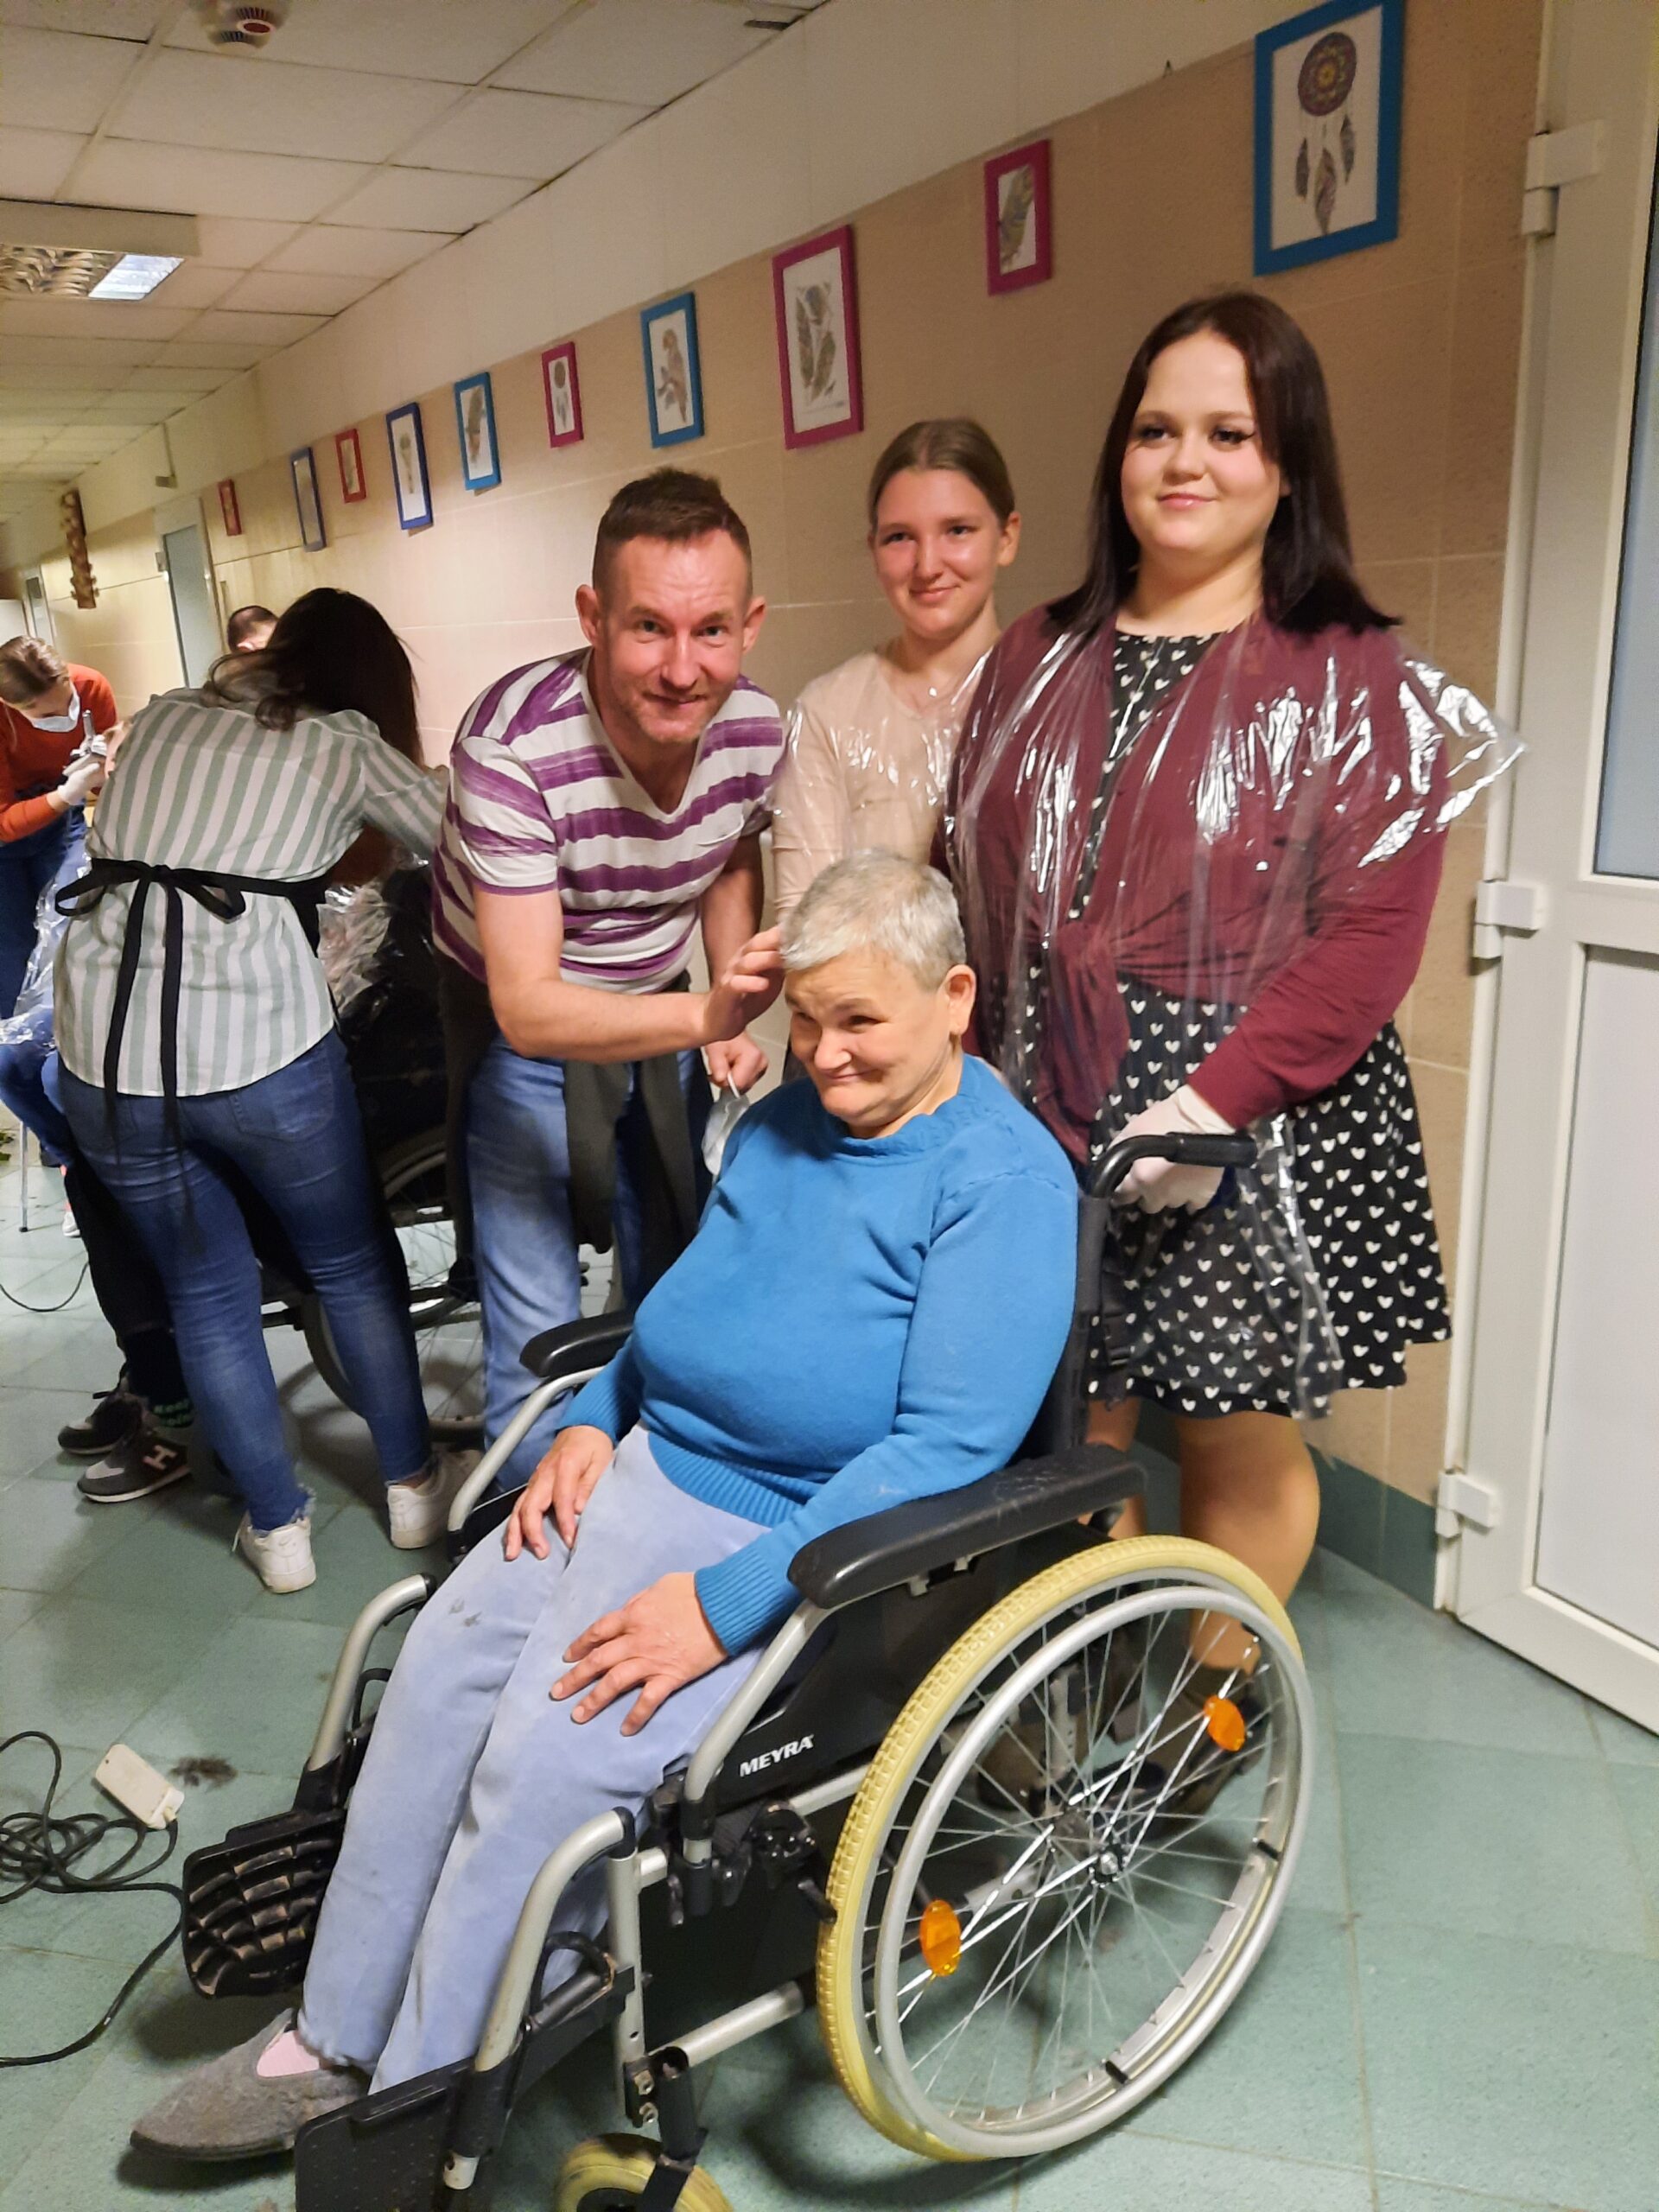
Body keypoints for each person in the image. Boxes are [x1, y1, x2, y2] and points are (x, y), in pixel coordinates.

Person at [130, 853, 1078, 2156]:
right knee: (436, 1680)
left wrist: (724, 1605)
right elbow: (685, 1315)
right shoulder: (788, 1122)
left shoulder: (1000, 1183)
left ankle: (425, 2085)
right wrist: (594, 1416)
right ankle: (333, 2031)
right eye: (806, 1018)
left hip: (796, 1547)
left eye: (860, 1020)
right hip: (637, 1473)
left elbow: (944, 1449)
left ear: (954, 997)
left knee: (545, 1760)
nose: (824, 1053)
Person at [945, 290, 1512, 1679]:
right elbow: (973, 871)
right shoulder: (1036, 653)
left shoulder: (1353, 676)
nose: (1183, 462)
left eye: (1228, 433)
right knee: (1066, 1415)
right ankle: (1076, 1679)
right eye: (1155, 430)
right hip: (1048, 1084)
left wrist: (1212, 1105)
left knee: (1230, 1426)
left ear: (1288, 465)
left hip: (1249, 1106)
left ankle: (1214, 1696)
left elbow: (1370, 939)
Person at [54, 588, 466, 1592]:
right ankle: (414, 1488)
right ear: (369, 679)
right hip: (261, 1052)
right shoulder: (346, 742)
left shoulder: (163, 716)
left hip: (106, 1052)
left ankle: (278, 1532)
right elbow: (461, 830)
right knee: (350, 1265)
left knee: (205, 1292)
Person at [430, 468, 785, 1490]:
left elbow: (731, 847)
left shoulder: (756, 729)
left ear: (750, 624)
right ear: (593, 617)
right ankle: (516, 1528)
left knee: (673, 1262)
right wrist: (708, 1011)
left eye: (711, 631)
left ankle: (651, 1494)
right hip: (519, 1012)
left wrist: (724, 1005)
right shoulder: (512, 746)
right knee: (536, 1316)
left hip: (663, 991)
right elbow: (530, 1007)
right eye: (648, 629)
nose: (681, 668)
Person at [771, 418, 1020, 918]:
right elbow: (806, 923)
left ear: (1006, 538)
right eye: (900, 537)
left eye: (957, 531)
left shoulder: (1051, 694)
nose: (927, 565)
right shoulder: (827, 714)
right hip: (864, 975)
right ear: (874, 551)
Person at [0, 637, 117, 1016]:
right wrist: (67, 793)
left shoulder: (90, 686)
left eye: (66, 702)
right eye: (47, 713)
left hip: (60, 820)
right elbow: (3, 823)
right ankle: (15, 1041)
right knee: (12, 947)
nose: (64, 715)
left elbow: (107, 782)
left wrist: (105, 769)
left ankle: (71, 1028)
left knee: (68, 923)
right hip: (8, 830)